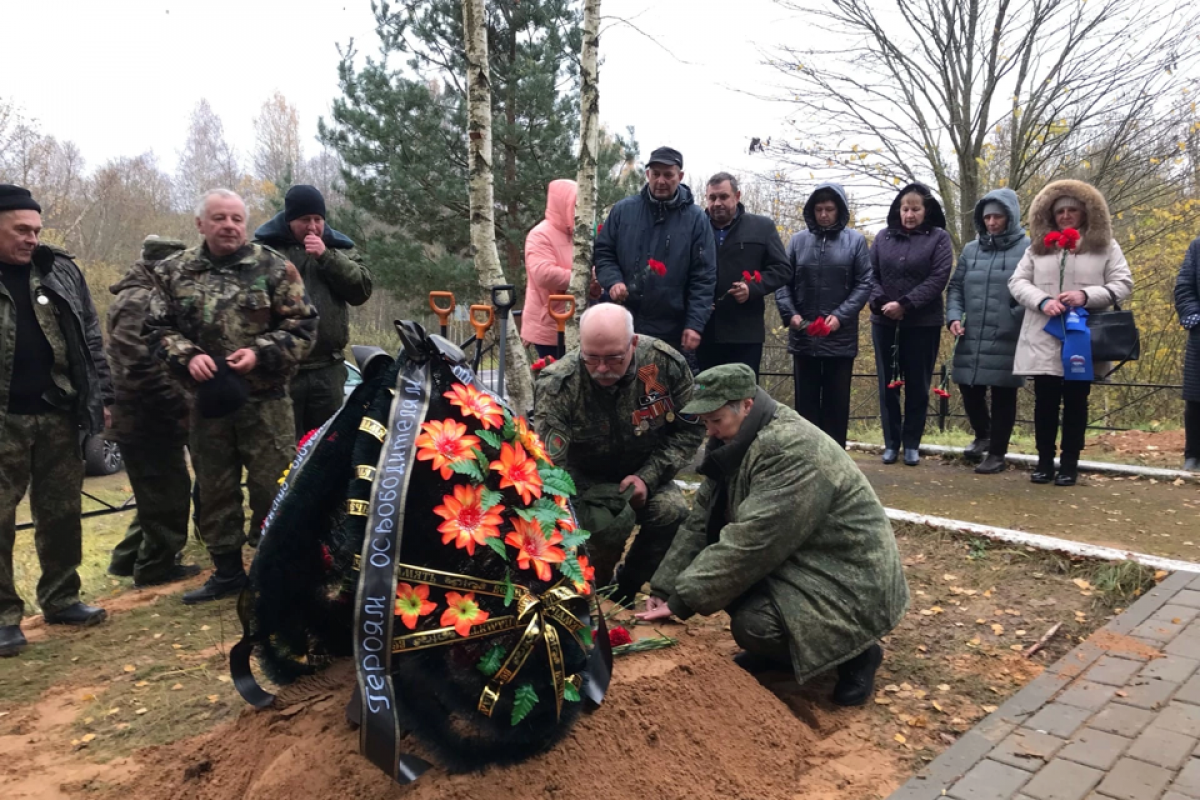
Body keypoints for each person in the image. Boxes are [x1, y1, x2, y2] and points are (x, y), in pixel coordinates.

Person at [635, 363, 909, 707]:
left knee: (754, 626)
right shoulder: (739, 437)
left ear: (746, 405)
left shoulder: (789, 449)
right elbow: (701, 521)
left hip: (852, 579)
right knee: (727, 584)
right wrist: (665, 588)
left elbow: (753, 542)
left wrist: (682, 600)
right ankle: (783, 654)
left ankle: (858, 653)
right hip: (805, 558)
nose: (711, 433)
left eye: (715, 421)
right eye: (705, 423)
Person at [147, 189, 318, 604]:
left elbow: (304, 328)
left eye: (237, 219)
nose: (229, 226)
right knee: (215, 487)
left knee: (273, 488)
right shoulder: (173, 272)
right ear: (200, 224)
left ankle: (274, 571)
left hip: (266, 402)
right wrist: (187, 356)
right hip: (208, 405)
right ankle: (226, 572)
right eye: (220, 218)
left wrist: (260, 353)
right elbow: (154, 330)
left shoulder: (275, 268)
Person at [0, 185, 112, 657]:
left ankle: (62, 597)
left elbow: (89, 334)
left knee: (62, 513)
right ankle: (4, 618)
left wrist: (102, 394)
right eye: (20, 230)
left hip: (58, 412)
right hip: (5, 418)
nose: (31, 238)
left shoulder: (59, 270)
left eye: (36, 230)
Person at [533, 303, 703, 604]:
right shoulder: (560, 383)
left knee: (672, 512)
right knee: (611, 518)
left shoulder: (666, 365)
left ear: (633, 343)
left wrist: (647, 478)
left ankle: (627, 588)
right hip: (584, 480)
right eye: (592, 357)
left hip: (647, 469)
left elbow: (689, 431)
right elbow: (550, 466)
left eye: (613, 358)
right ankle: (592, 587)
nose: (601, 368)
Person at [1009, 180, 1133, 486]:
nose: (1066, 216)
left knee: (1077, 401)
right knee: (1045, 401)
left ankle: (1070, 463)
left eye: (1072, 210)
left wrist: (1087, 296)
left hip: (1083, 338)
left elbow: (1123, 283)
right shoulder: (1038, 246)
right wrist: (1042, 300)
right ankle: (1044, 461)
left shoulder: (1105, 246)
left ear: (1085, 213)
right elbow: (1017, 282)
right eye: (1060, 211)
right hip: (1042, 333)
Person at [105, 237, 201, 587]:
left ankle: (129, 559)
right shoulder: (138, 301)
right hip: (144, 417)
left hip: (151, 415)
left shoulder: (149, 296)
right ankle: (156, 567)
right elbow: (140, 365)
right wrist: (180, 403)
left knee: (158, 492)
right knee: (167, 492)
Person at [252, 184, 371, 439]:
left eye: (318, 220)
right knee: (283, 450)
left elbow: (361, 290)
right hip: (282, 371)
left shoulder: (339, 248)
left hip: (328, 371)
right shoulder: (264, 250)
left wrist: (326, 257)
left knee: (329, 448)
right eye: (305, 220)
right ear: (289, 220)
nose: (312, 227)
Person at [594, 146, 717, 356]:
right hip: (623, 321)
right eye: (656, 174)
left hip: (672, 328)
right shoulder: (623, 211)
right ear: (647, 174)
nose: (661, 181)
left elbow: (703, 276)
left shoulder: (696, 219)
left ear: (679, 176)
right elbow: (604, 252)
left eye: (668, 175)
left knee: (657, 387)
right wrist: (613, 281)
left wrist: (695, 324)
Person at [775, 182, 872, 448]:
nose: (824, 214)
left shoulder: (855, 241)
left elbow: (865, 283)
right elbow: (783, 281)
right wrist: (790, 314)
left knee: (836, 405)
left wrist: (840, 316)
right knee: (804, 405)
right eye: (819, 209)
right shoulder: (797, 241)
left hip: (839, 339)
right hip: (804, 337)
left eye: (829, 209)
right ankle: (806, 457)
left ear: (839, 210)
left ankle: (835, 459)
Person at [946, 189, 1030, 474]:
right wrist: (954, 316)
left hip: (1007, 332)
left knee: (1004, 392)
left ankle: (997, 453)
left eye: (998, 216)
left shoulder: (1028, 248)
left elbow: (1033, 287)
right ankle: (983, 434)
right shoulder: (971, 249)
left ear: (1010, 217)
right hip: (971, 331)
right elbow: (956, 287)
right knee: (968, 385)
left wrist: (1013, 316)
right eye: (988, 217)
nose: (992, 222)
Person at [869, 183, 954, 467]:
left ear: (925, 210)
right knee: (888, 385)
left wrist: (904, 304)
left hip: (922, 323)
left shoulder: (939, 238)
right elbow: (870, 275)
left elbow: (938, 278)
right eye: (905, 209)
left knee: (917, 385)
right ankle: (891, 443)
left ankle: (912, 444)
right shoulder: (882, 238)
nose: (909, 214)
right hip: (884, 323)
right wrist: (883, 302)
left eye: (915, 209)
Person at [697, 172, 790, 377]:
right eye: (712, 198)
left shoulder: (761, 227)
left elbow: (783, 269)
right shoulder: (695, 227)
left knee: (744, 400)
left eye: (723, 197)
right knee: (704, 396)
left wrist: (753, 288)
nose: (717, 203)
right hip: (702, 333)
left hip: (745, 334)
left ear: (737, 196)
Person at [523, 179, 578, 358]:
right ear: (563, 204)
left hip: (575, 323)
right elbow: (543, 274)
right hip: (550, 325)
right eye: (575, 204)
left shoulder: (578, 236)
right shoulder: (540, 235)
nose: (579, 211)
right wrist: (582, 278)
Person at [1177, 234, 1200, 472]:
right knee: (1196, 400)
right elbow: (1184, 287)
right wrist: (1195, 318)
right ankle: (1193, 454)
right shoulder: (1197, 246)